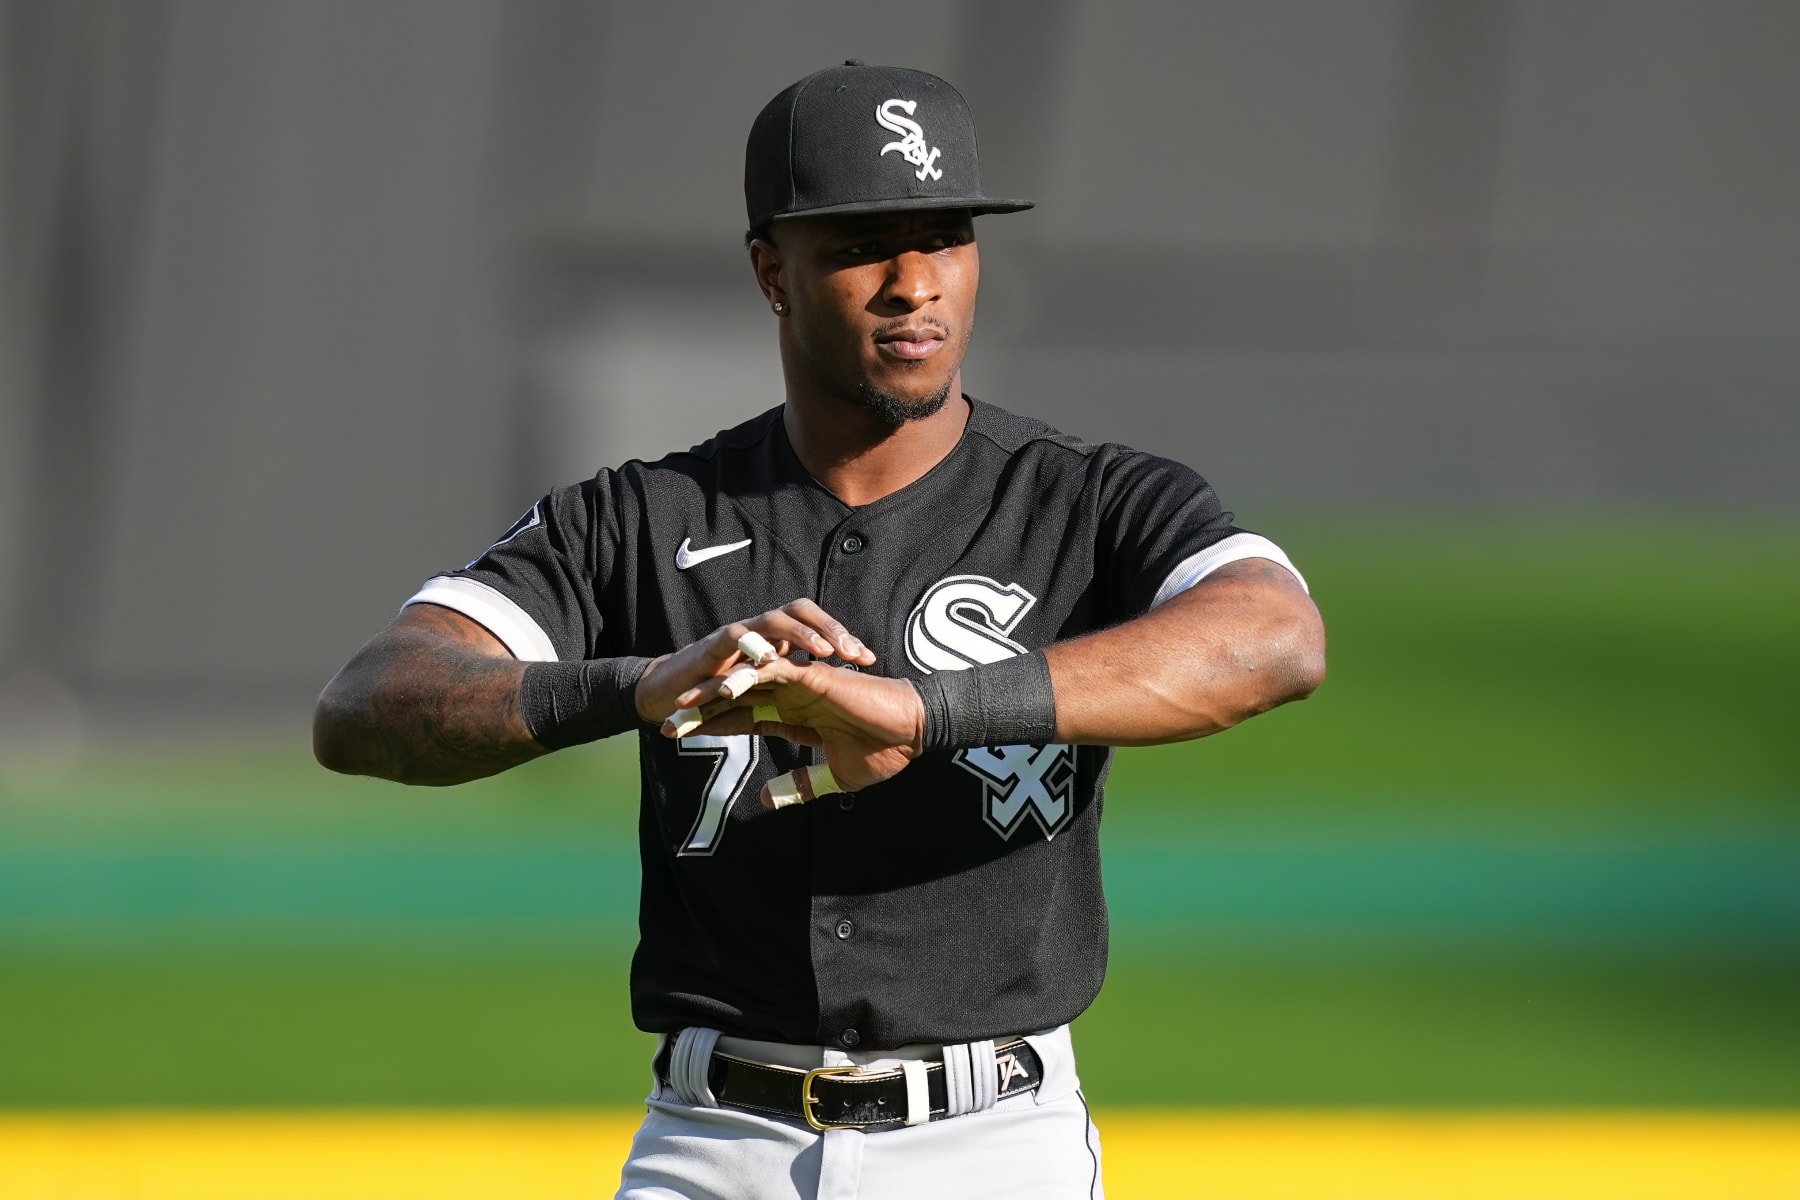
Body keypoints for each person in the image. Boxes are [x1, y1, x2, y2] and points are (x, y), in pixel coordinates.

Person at [314, 61, 1325, 1200]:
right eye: (859, 244)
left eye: (944, 236)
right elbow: (366, 708)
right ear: (771, 274)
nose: (912, 284)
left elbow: (1276, 639)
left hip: (995, 1144)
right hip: (713, 1140)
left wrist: (923, 709)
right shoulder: (643, 517)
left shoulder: (1087, 501)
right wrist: (638, 685)